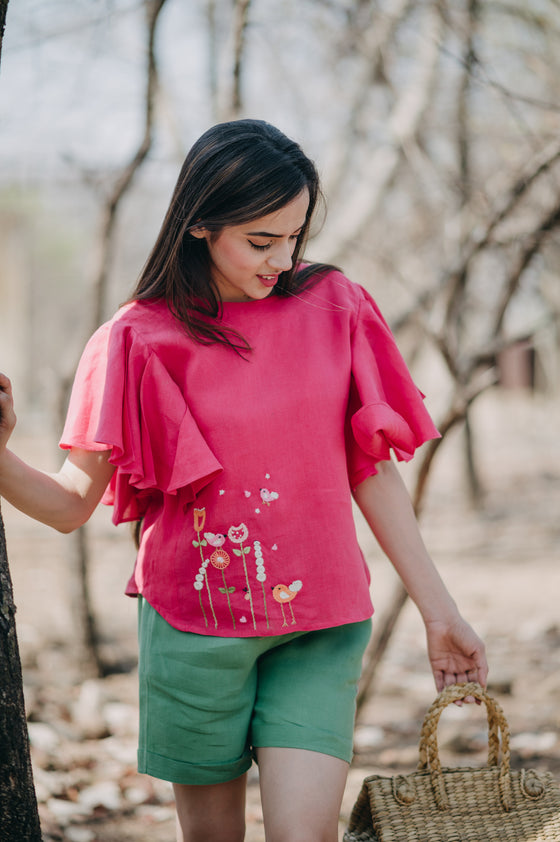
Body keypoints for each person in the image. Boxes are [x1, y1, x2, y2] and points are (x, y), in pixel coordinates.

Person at [0, 119, 487, 842]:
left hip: (321, 624)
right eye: (261, 241)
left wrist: (438, 609)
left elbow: (371, 471)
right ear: (198, 224)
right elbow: (71, 504)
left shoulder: (337, 308)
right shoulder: (133, 339)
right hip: (192, 631)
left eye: (294, 236)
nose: (282, 259)